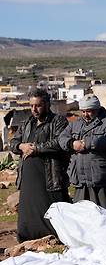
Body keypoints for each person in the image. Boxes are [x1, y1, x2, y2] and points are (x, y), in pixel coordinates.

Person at [10, 88, 70, 242]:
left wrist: (36, 148)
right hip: (29, 176)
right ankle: (28, 236)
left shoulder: (58, 121)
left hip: (50, 175)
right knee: (29, 208)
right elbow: (13, 142)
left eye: (38, 106)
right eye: (31, 106)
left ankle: (54, 237)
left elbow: (59, 142)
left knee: (51, 208)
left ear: (47, 104)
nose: (34, 110)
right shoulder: (27, 123)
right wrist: (21, 147)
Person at [59, 94, 106, 213]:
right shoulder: (75, 124)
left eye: (89, 111)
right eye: (83, 111)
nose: (86, 115)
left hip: (100, 178)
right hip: (80, 179)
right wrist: (72, 144)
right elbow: (62, 138)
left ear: (97, 109)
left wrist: (85, 144)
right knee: (81, 213)